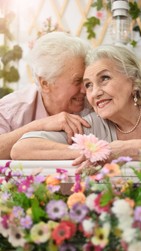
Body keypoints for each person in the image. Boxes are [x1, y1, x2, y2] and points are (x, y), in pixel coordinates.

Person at [11, 45, 141, 165]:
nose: (95, 93)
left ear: (134, 80)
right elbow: (21, 148)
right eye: (88, 85)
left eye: (104, 78)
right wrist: (94, 152)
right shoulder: (92, 124)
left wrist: (123, 151)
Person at [0, 31, 92, 159]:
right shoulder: (12, 108)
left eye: (86, 80)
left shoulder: (94, 101)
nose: (85, 89)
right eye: (77, 81)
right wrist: (40, 125)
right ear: (45, 84)